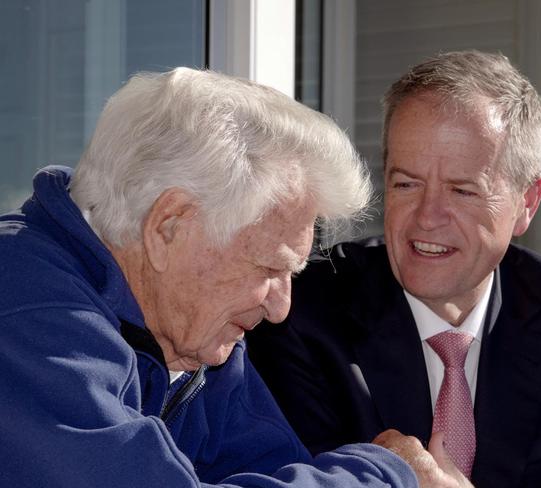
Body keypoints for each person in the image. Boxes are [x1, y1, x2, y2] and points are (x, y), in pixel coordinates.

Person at [0, 68, 472, 488]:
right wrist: (389, 475)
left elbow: (271, 464)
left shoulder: (191, 334)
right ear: (169, 226)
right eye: (269, 269)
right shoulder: (24, 305)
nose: (280, 307)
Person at [247, 51, 541, 488]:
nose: (426, 217)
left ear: (527, 203)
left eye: (462, 191)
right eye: (406, 183)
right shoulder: (301, 312)